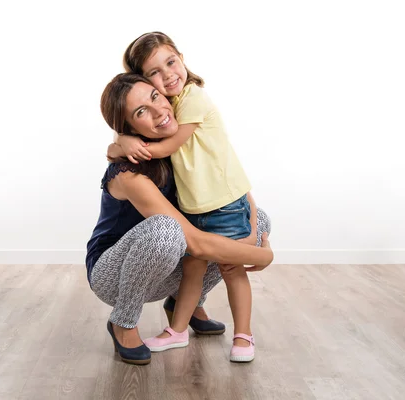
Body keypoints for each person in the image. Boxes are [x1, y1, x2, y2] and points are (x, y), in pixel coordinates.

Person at [88, 73, 273, 365]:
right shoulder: (129, 172)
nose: (158, 111)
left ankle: (184, 306)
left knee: (255, 218)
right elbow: (196, 243)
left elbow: (234, 191)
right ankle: (123, 322)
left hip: (168, 261)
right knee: (169, 230)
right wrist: (262, 256)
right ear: (129, 128)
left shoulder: (182, 144)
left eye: (155, 97)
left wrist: (253, 230)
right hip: (114, 273)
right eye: (140, 112)